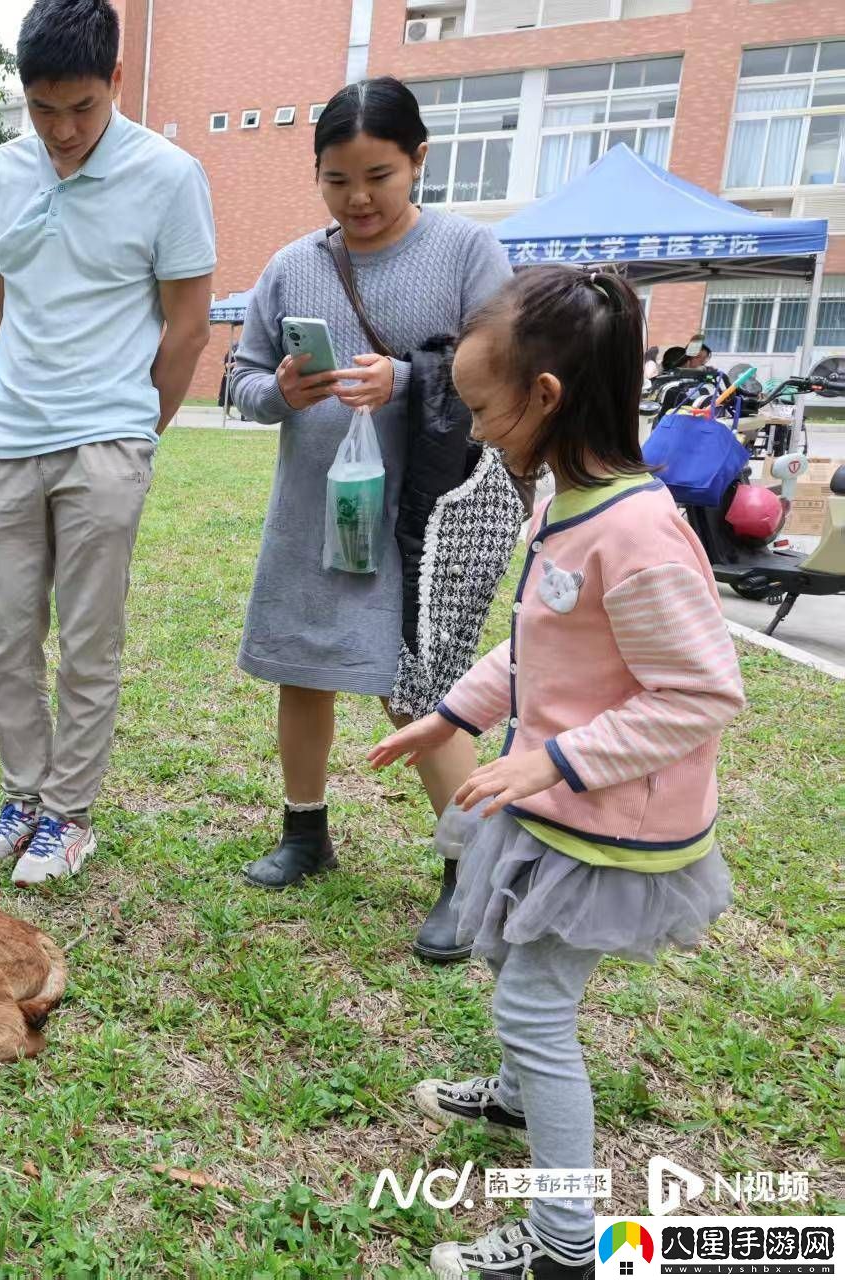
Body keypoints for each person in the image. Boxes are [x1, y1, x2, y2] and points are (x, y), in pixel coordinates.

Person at [371, 267, 742, 1280]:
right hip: (556, 793)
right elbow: (534, 646)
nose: (478, 428)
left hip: (609, 816)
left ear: (543, 397)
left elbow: (702, 695)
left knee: (536, 1004)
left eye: (486, 406)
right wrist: (452, 714)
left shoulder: (639, 532)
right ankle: (515, 1089)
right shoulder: (563, 505)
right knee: (510, 947)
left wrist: (556, 757)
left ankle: (568, 1242)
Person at [226, 78, 512, 943]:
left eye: (379, 176)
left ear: (419, 160)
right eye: (336, 180)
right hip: (313, 509)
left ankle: (471, 870)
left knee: (416, 688)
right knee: (301, 667)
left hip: (415, 519)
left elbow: (503, 366)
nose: (358, 200)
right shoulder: (291, 266)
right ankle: (304, 831)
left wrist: (413, 377)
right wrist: (277, 390)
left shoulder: (468, 252)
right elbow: (237, 381)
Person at [0, 0, 215, 885]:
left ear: (115, 81)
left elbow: (187, 329)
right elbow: (4, 302)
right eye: (42, 109)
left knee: (89, 640)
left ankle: (69, 815)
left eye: (81, 108)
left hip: (107, 437)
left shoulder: (171, 175)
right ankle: (21, 797)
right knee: (2, 639)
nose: (62, 131)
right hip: (6, 436)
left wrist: (138, 431)